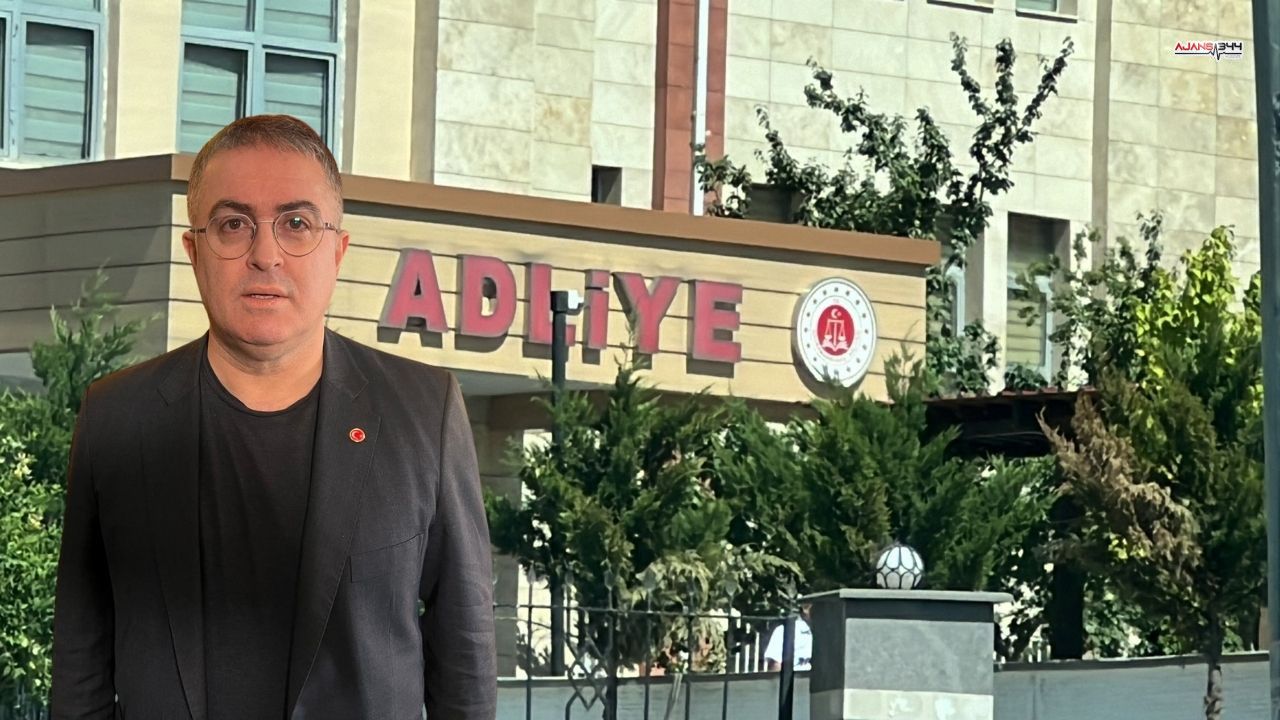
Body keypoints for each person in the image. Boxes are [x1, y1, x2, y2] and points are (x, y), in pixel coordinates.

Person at [49, 115, 496, 720]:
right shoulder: (116, 418)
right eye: (233, 224)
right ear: (194, 251)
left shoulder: (423, 411)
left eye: (296, 224)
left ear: (337, 250)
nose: (265, 255)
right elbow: (80, 657)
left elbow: (465, 655)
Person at [763, 604, 813, 672]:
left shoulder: (826, 632)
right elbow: (776, 666)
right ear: (806, 608)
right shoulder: (784, 631)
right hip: (796, 677)